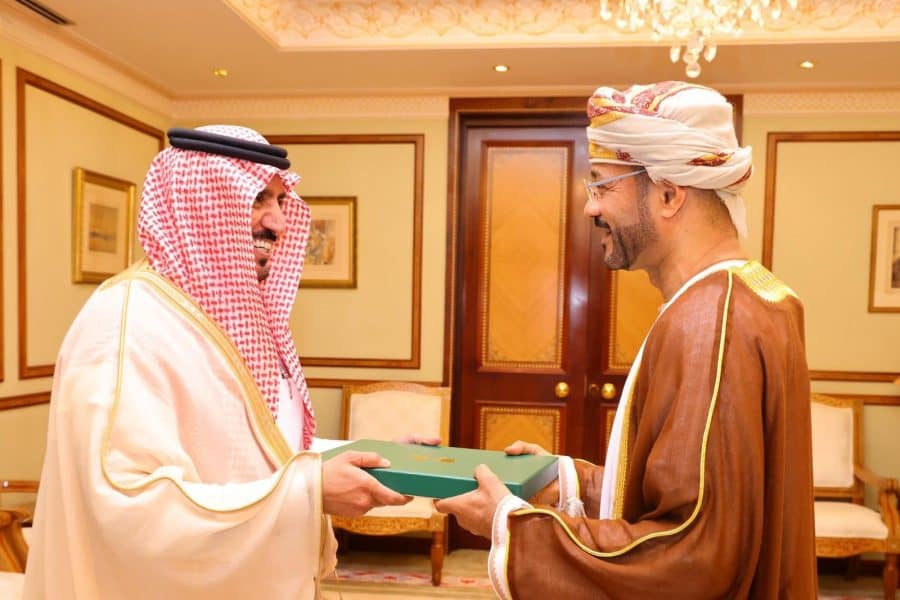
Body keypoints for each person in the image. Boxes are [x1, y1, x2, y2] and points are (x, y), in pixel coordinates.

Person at [436, 82, 817, 598]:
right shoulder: (754, 296)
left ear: (668, 194)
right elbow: (717, 507)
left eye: (602, 187)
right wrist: (566, 482)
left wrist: (513, 527)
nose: (590, 209)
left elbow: (690, 553)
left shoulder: (710, 321)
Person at [23, 125, 412, 599]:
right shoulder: (126, 324)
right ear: (197, 205)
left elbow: (258, 449)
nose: (278, 223)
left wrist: (375, 459)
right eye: (257, 199)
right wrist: (309, 490)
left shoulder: (228, 318)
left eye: (280, 201)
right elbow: (126, 504)